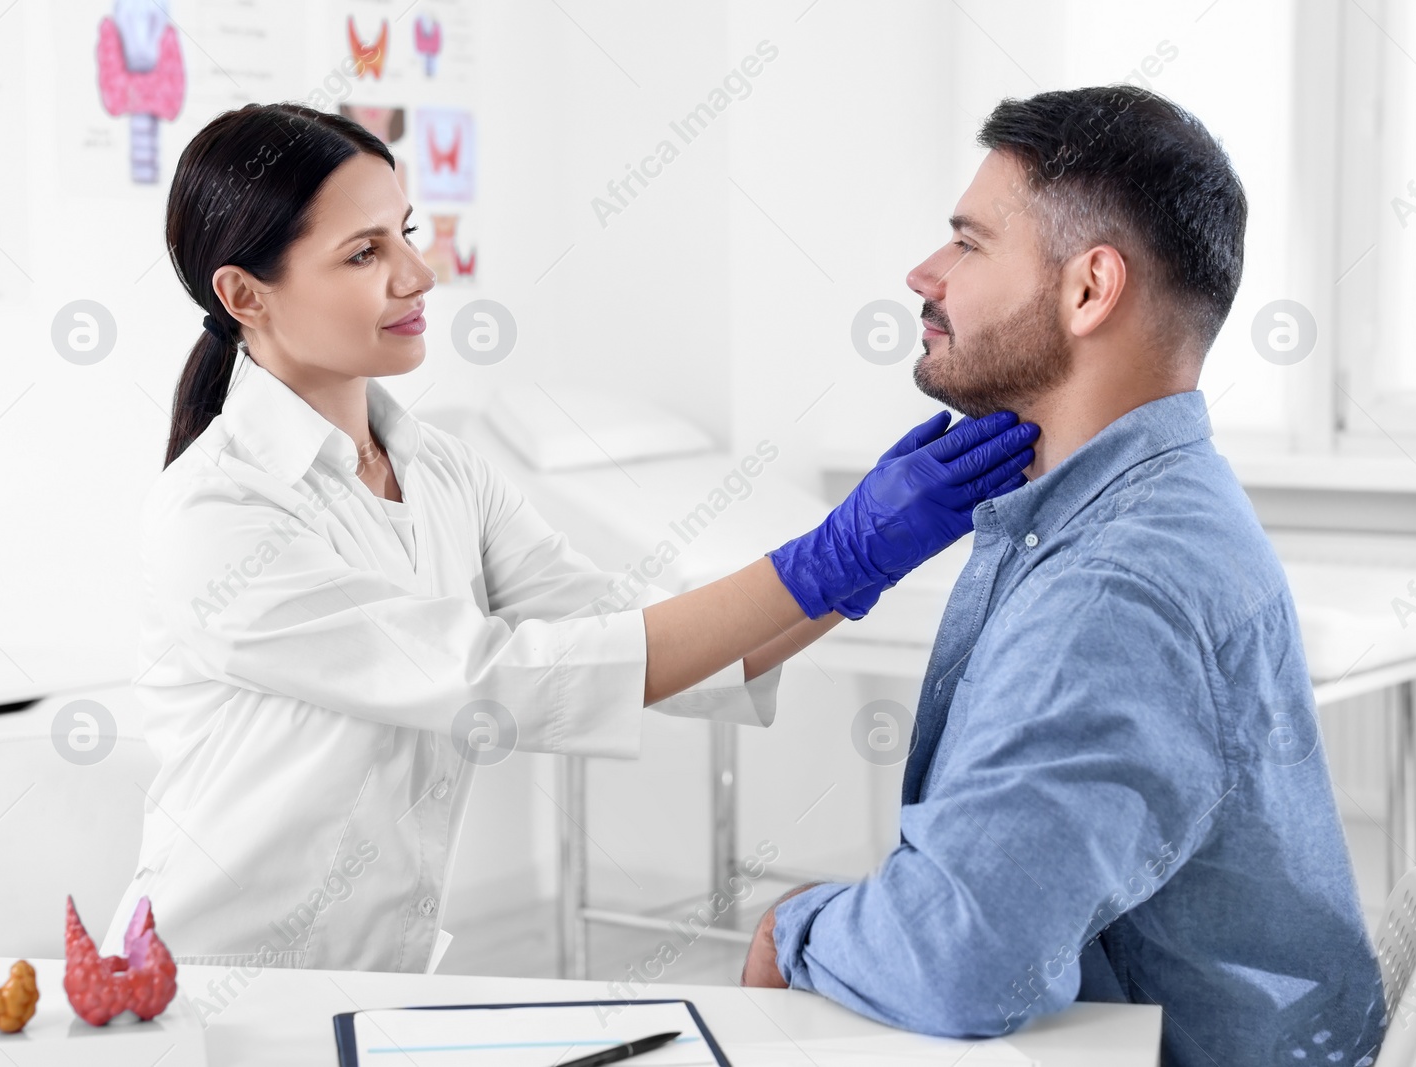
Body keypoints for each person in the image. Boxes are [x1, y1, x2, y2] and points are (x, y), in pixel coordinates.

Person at [100, 102, 1039, 973]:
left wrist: (862, 566)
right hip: (214, 984)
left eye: (409, 234)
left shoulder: (441, 471)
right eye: (363, 253)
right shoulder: (218, 516)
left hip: (379, 976)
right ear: (246, 294)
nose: (418, 275)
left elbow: (639, 635)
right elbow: (500, 677)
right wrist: (833, 551)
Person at [739, 86, 1387, 1067]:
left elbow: (959, 963)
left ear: (1088, 289)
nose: (923, 273)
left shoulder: (1116, 587)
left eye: (966, 243)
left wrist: (793, 925)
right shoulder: (1146, 505)